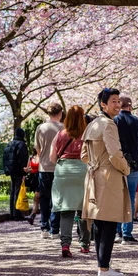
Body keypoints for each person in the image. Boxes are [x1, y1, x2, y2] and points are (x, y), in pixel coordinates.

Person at [82, 88, 131, 276]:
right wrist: (126, 168)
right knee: (109, 222)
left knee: (99, 223)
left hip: (93, 176)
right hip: (108, 177)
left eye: (119, 101)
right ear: (103, 104)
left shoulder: (92, 125)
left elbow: (83, 155)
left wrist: (95, 164)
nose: (118, 104)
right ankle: (104, 269)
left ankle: (102, 265)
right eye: (113, 101)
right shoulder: (109, 125)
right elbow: (114, 154)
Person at [50, 105, 90, 257]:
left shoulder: (60, 134)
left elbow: (52, 158)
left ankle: (65, 245)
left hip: (64, 171)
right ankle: (85, 244)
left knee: (66, 211)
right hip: (82, 170)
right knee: (83, 211)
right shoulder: (86, 134)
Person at [114, 96, 138, 243]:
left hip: (118, 163)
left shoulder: (115, 121)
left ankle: (117, 231)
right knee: (130, 198)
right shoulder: (136, 121)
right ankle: (127, 233)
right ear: (130, 106)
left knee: (118, 197)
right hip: (134, 163)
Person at [35, 103, 64, 239]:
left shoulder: (40, 128)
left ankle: (44, 227)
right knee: (57, 198)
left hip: (44, 167)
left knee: (44, 198)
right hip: (59, 166)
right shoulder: (63, 128)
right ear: (60, 113)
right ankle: (55, 229)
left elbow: (38, 148)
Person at [3, 128, 28, 221]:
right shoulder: (21, 144)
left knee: (13, 191)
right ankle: (17, 213)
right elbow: (22, 158)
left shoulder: (9, 144)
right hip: (18, 170)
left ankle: (12, 213)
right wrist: (24, 170)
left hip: (10, 170)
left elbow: (5, 157)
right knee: (18, 191)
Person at [23, 148, 40, 225]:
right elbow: (29, 168)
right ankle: (34, 215)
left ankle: (33, 214)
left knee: (37, 196)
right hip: (34, 179)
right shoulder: (31, 157)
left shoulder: (43, 156)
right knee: (36, 198)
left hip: (41, 177)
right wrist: (27, 170)